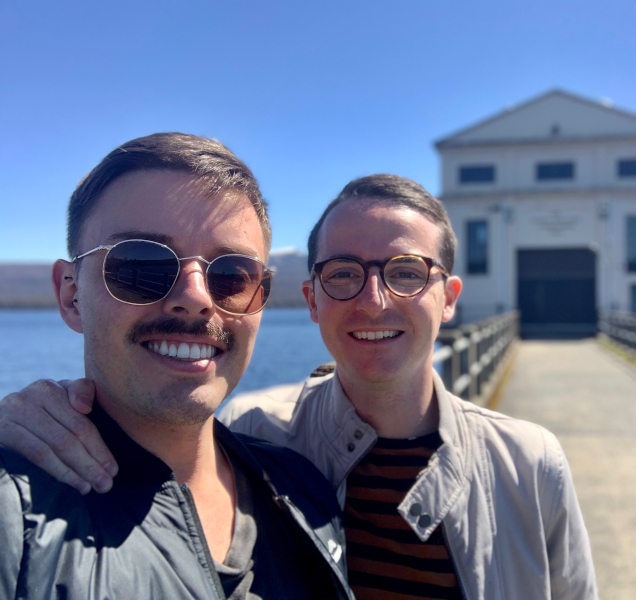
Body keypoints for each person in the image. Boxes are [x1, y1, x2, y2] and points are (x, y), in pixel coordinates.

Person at [0, 174, 598, 599]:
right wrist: (26, 415)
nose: (373, 300)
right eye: (343, 275)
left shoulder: (529, 462)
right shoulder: (257, 437)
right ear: (311, 300)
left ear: (449, 299)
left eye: (407, 273)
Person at [0, 132, 352, 599]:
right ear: (70, 294)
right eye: (141, 265)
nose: (195, 299)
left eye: (231, 276)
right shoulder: (18, 519)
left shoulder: (303, 491)